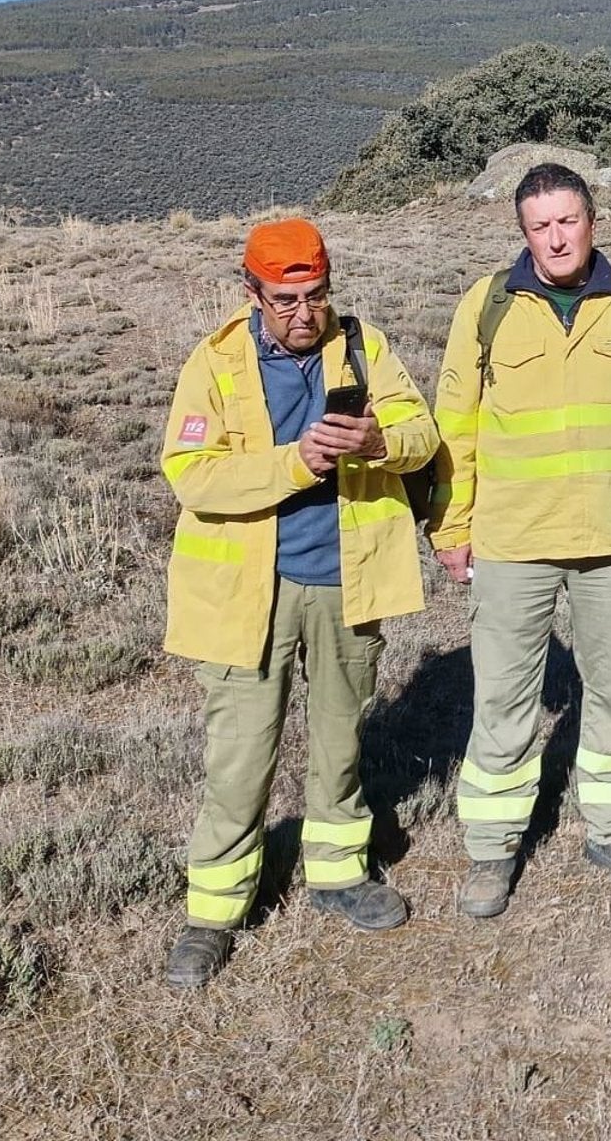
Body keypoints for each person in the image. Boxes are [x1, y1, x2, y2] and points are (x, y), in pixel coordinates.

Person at [159, 218, 436, 989]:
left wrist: (379, 442)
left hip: (347, 580)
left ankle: (339, 874)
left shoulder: (365, 348)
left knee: (340, 738)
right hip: (246, 594)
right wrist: (296, 462)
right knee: (240, 754)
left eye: (316, 295)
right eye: (285, 300)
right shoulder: (215, 361)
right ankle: (214, 914)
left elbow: (422, 434)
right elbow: (191, 472)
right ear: (251, 293)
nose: (304, 313)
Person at [430, 162, 611, 919]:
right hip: (512, 541)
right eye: (540, 226)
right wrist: (451, 525)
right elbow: (456, 424)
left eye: (568, 221)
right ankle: (493, 850)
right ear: (524, 233)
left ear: (592, 220)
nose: (556, 239)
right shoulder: (487, 306)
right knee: (504, 699)